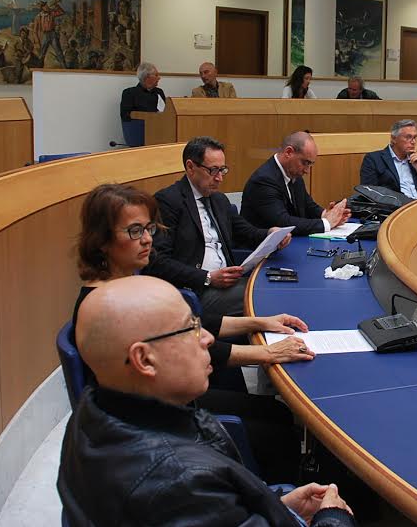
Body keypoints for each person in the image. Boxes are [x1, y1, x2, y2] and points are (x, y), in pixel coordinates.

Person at [57, 276, 357, 527]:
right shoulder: (180, 482)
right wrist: (333, 518)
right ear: (144, 359)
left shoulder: (94, 412)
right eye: (190, 328)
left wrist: (276, 506)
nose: (208, 339)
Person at [73, 184, 312, 483]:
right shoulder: (112, 305)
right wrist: (267, 352)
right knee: (278, 434)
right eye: (135, 231)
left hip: (164, 402)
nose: (147, 239)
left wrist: (258, 323)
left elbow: (198, 324)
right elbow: (191, 344)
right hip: (160, 420)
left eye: (149, 228)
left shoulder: (125, 283)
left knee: (277, 412)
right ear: (102, 240)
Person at [144, 136, 292, 317]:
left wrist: (271, 234)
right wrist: (207, 277)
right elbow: (158, 262)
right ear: (190, 167)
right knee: (270, 296)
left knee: (282, 286)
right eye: (213, 170)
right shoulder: (168, 201)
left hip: (229, 282)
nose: (220, 178)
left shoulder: (218, 199)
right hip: (195, 291)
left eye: (222, 170)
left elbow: (245, 232)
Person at [241, 131, 351, 237]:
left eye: (310, 164)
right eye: (305, 163)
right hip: (259, 247)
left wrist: (327, 214)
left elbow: (308, 205)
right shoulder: (263, 180)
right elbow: (283, 222)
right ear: (288, 152)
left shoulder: (293, 173)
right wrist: (326, 223)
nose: (307, 171)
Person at [359, 119, 417, 199]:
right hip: (396, 205)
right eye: (408, 137)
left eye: (415, 137)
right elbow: (369, 193)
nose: (413, 142)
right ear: (394, 139)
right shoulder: (374, 159)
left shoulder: (416, 160)